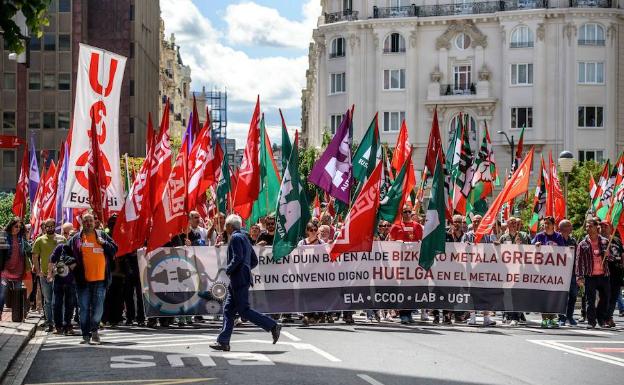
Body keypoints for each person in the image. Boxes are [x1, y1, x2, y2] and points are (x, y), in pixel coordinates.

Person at [209, 214, 281, 351]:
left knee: (243, 310)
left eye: (226, 226)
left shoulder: (236, 237)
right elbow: (253, 260)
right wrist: (245, 270)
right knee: (228, 310)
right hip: (241, 277)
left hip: (238, 278)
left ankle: (273, 325)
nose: (225, 228)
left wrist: (229, 270)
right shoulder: (245, 238)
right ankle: (223, 341)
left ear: (230, 226)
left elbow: (237, 258)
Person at [63, 212, 118, 345]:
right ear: (82, 223)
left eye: (90, 220)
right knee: (84, 308)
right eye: (86, 221)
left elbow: (114, 249)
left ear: (95, 222)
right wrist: (73, 263)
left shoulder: (102, 235)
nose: (88, 223)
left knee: (98, 309)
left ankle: (94, 330)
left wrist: (104, 243)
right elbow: (65, 253)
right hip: (83, 281)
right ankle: (85, 334)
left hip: (101, 280)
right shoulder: (76, 238)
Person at [576, 217, 613, 329]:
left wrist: (608, 255)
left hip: (603, 275)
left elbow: (611, 259)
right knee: (590, 300)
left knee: (605, 298)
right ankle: (591, 322)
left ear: (597, 227)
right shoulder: (583, 244)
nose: (588, 228)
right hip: (590, 275)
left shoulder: (605, 241)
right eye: (587, 226)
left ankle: (600, 319)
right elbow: (579, 261)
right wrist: (579, 276)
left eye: (590, 226)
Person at [32, 218, 66, 332]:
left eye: (52, 226)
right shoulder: (40, 240)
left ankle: (59, 323)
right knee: (48, 300)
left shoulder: (61, 239)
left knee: (59, 300)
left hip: (59, 275)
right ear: (44, 227)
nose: (50, 228)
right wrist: (38, 271)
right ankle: (49, 323)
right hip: (45, 275)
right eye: (48, 226)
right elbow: (35, 256)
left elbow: (67, 255)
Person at [462, 215, 496, 327]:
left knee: (485, 292)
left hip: (484, 270)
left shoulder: (487, 236)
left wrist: (497, 245)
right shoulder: (467, 236)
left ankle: (486, 318)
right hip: (470, 269)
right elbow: (459, 249)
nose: (477, 223)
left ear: (482, 222)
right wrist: (464, 246)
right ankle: (472, 317)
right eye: (475, 221)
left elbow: (494, 250)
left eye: (479, 221)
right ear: (472, 222)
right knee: (471, 292)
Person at [533, 216, 566, 328]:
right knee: (544, 295)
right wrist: (535, 246)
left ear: (553, 225)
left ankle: (553, 318)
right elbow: (530, 249)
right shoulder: (539, 236)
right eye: (544, 223)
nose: (545, 225)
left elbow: (563, 252)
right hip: (542, 272)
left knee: (553, 295)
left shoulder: (558, 237)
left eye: (548, 223)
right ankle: (545, 319)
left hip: (555, 272)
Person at [497, 217, 531, 326]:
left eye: (515, 223)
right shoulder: (503, 237)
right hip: (506, 271)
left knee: (517, 293)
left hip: (520, 270)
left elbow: (531, 251)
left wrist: (520, 245)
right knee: (507, 293)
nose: (513, 225)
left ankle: (516, 316)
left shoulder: (524, 236)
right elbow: (499, 253)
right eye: (511, 223)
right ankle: (508, 315)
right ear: (507, 225)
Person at [0, 218, 33, 314]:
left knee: (17, 294)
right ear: (11, 225)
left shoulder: (21, 238)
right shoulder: (4, 236)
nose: (18, 228)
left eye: (20, 227)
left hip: (18, 271)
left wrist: (26, 235)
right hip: (5, 271)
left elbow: (29, 249)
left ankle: (17, 314)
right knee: (2, 292)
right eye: (16, 226)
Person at [600, 220, 624, 328]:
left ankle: (609, 317)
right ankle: (604, 318)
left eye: (606, 227)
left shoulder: (617, 240)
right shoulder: (599, 241)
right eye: (601, 227)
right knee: (606, 297)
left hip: (617, 273)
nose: (603, 229)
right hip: (605, 273)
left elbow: (622, 254)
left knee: (614, 297)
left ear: (611, 228)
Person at [49, 241, 76, 335]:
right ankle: (58, 327)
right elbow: (52, 260)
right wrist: (50, 274)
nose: (70, 236)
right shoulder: (60, 247)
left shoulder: (77, 247)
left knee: (70, 304)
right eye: (67, 233)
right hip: (58, 281)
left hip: (71, 281)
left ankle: (67, 326)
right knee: (56, 304)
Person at [558, 219, 578, 326]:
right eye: (569, 226)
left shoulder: (573, 241)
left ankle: (570, 316)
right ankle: (561, 317)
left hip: (572, 272)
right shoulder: (556, 240)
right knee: (561, 295)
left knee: (573, 295)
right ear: (563, 228)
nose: (571, 228)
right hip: (559, 273)